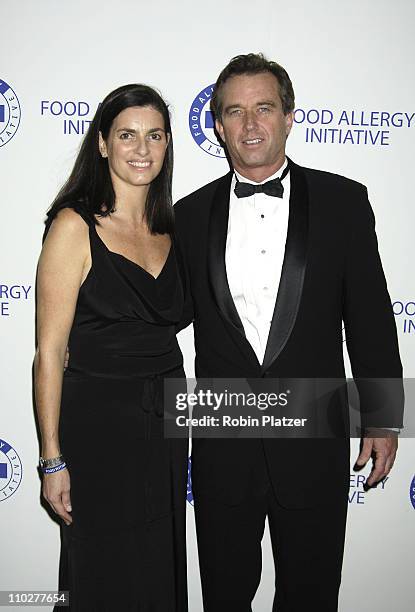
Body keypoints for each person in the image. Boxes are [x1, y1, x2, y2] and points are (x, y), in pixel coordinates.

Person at [174, 54, 403, 611]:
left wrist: (384, 416)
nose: (250, 125)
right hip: (222, 444)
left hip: (314, 438)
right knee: (224, 595)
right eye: (234, 111)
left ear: (289, 116)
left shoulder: (344, 202)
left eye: (264, 108)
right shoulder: (186, 215)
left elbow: (371, 315)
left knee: (312, 593)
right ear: (218, 124)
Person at [34, 84, 188, 611]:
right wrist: (52, 459)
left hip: (166, 426)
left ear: (168, 146)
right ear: (103, 144)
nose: (141, 149)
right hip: (98, 431)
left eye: (155, 136)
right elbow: (50, 353)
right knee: (100, 570)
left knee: (155, 566)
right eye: (127, 135)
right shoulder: (75, 225)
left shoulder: (173, 229)